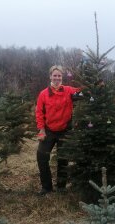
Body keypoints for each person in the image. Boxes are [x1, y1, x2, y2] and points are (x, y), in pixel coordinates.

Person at [35, 65, 82, 196]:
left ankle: (61, 187)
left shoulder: (68, 90)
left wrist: (95, 83)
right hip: (48, 131)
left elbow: (81, 91)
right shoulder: (43, 94)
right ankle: (46, 187)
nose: (57, 78)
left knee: (63, 159)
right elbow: (39, 113)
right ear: (50, 76)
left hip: (65, 131)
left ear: (62, 77)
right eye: (54, 75)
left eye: (59, 76)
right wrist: (41, 130)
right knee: (41, 157)